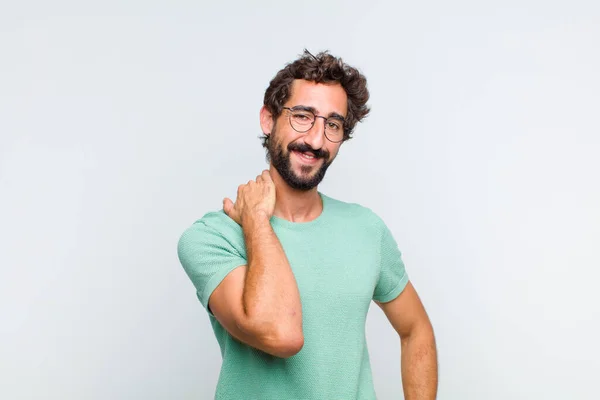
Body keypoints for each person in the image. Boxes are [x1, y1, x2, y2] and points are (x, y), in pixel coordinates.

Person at [177, 50, 438, 400]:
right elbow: (282, 335)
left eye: (332, 124)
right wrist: (256, 220)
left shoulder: (366, 229)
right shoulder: (212, 238)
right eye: (303, 116)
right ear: (268, 120)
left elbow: (415, 329)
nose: (316, 140)